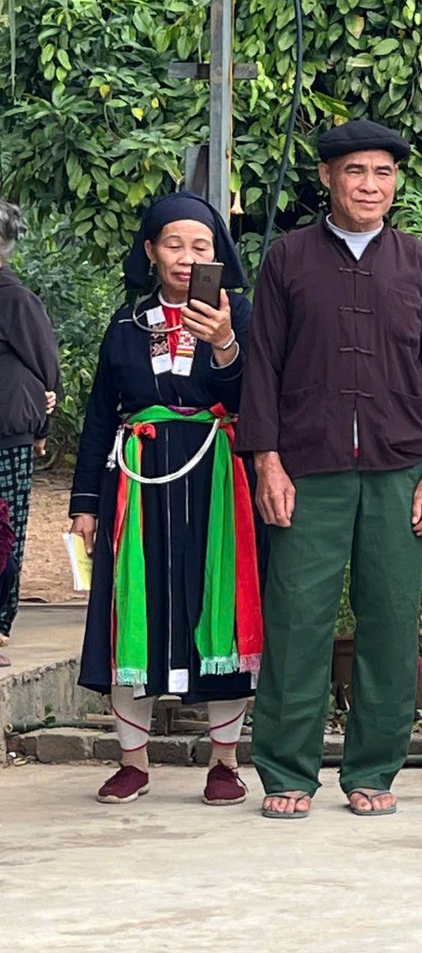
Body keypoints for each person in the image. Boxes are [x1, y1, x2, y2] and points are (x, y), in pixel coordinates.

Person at [237, 120, 422, 819]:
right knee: (298, 619)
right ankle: (285, 773)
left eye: (384, 173)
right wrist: (267, 460)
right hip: (307, 468)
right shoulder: (289, 260)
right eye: (356, 172)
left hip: (399, 469)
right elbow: (263, 365)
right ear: (328, 178)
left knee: (391, 621)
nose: (371, 185)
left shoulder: (418, 263)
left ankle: (373, 769)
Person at [67, 194, 258, 805]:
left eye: (200, 246)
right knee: (133, 610)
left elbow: (254, 398)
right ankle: (134, 760)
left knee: (217, 605)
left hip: (216, 480)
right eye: (173, 244)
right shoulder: (126, 323)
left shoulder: (241, 315)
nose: (187, 256)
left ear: (217, 255)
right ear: (150, 251)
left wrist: (226, 342)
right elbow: (101, 415)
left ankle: (225, 763)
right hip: (139, 479)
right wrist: (85, 501)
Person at [0, 199, 60, 665]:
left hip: (8, 431)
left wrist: (44, 417)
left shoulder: (14, 298)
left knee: (5, 531)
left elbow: (46, 362)